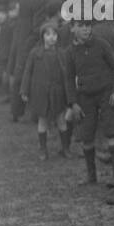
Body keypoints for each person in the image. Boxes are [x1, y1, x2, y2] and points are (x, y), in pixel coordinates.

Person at [63, 18, 114, 186]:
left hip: (107, 94)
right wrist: (73, 103)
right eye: (81, 26)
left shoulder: (101, 44)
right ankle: (91, 175)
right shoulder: (70, 52)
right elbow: (69, 79)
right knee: (86, 135)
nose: (85, 29)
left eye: (88, 25)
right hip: (85, 97)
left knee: (112, 133)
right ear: (72, 28)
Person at [20, 21, 71, 160]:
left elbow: (67, 75)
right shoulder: (35, 53)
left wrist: (69, 93)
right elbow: (27, 72)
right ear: (42, 36)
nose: (51, 37)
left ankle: (65, 148)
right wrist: (24, 90)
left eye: (54, 34)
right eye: (48, 34)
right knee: (42, 120)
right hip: (41, 92)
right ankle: (43, 149)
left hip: (58, 92)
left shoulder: (62, 53)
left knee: (61, 119)